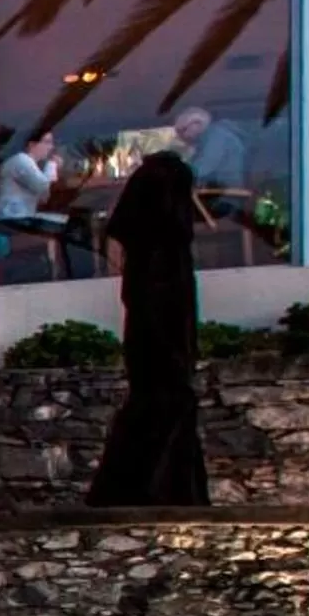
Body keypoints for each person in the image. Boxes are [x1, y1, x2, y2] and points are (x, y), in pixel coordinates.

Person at [87, 151, 209, 506]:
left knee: (161, 401)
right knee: (167, 401)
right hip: (163, 348)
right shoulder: (166, 252)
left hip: (154, 349)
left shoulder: (147, 251)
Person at [170, 105, 248, 191]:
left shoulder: (218, 136)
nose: (180, 136)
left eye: (183, 130)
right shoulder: (206, 140)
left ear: (197, 124)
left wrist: (174, 172)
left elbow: (203, 168)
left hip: (225, 196)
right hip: (216, 192)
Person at [0, 130, 59, 221]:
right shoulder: (22, 160)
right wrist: (52, 164)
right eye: (47, 142)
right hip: (7, 221)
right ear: (32, 144)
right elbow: (42, 186)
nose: (51, 147)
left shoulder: (33, 166)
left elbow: (44, 198)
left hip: (17, 220)